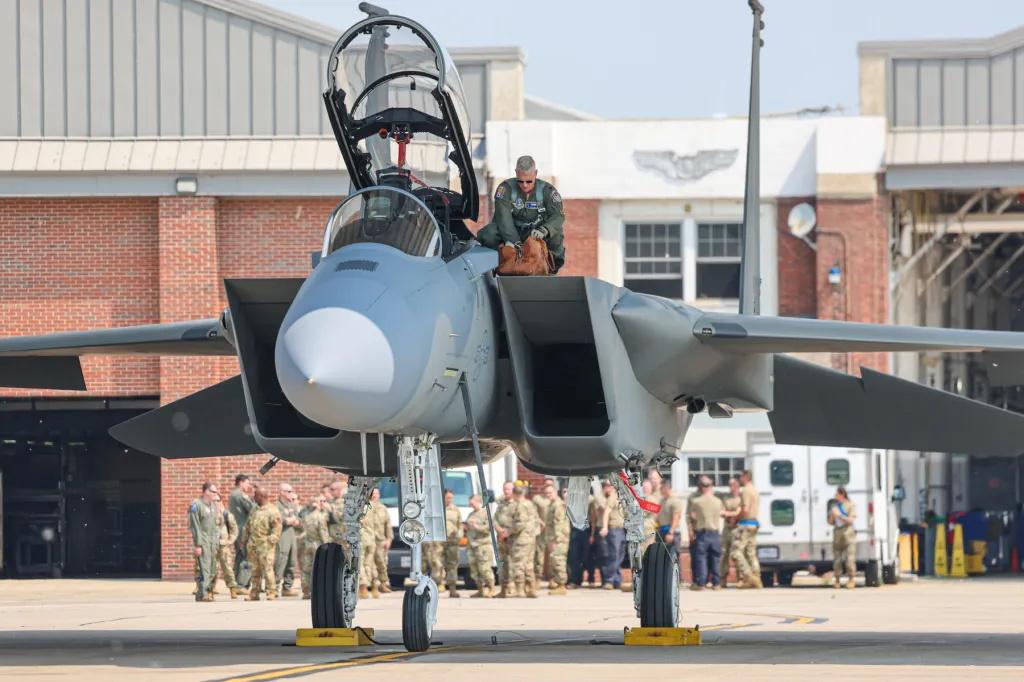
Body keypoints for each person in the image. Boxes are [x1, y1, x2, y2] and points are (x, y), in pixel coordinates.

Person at [476, 155, 566, 272]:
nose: (525, 185)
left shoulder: (548, 191)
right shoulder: (505, 189)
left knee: (556, 233)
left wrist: (544, 230)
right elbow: (503, 219)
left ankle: (552, 267)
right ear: (516, 173)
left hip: (536, 232)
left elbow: (558, 216)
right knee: (488, 233)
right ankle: (494, 267)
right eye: (520, 181)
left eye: (529, 181)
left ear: (535, 173)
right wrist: (515, 243)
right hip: (511, 230)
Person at [244, 485, 283, 601]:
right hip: (253, 545)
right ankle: (254, 593)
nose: (253, 497)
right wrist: (244, 539)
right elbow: (248, 525)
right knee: (254, 570)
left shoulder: (273, 510)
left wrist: (271, 540)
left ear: (262, 496)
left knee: (267, 570)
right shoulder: (254, 509)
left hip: (266, 546)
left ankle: (271, 592)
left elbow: (277, 528)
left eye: (255, 495)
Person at [689, 476, 724, 591]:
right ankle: (716, 583)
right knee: (716, 558)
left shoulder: (696, 501)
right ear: (711, 486)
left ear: (701, 487)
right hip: (715, 533)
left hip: (703, 533)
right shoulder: (718, 501)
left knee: (701, 558)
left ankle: (701, 583)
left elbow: (692, 516)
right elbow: (721, 513)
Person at [732, 469, 763, 589]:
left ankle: (749, 576)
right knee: (751, 553)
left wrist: (736, 519)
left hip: (745, 523)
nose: (740, 479)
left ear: (746, 477)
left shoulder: (746, 490)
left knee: (736, 552)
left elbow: (745, 509)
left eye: (741, 476)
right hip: (754, 523)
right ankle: (757, 577)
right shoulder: (755, 490)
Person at [189, 482, 220, 602]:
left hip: (212, 541)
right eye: (213, 492)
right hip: (203, 540)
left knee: (213, 568)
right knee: (204, 568)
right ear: (206, 491)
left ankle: (207, 592)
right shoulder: (196, 505)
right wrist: (198, 544)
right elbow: (195, 526)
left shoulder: (213, 506)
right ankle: (203, 593)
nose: (215, 494)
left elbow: (215, 525)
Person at [213, 492, 246, 599]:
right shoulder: (207, 513)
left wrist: (230, 540)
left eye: (217, 500)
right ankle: (211, 589)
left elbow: (234, 529)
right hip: (211, 545)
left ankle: (232, 588)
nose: (215, 503)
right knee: (212, 568)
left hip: (223, 546)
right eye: (213, 501)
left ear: (221, 501)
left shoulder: (226, 514)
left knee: (227, 568)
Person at [509, 481, 539, 598]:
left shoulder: (520, 506)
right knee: (529, 564)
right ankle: (531, 589)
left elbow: (520, 523)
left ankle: (520, 590)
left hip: (521, 539)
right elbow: (536, 520)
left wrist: (508, 531)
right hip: (531, 538)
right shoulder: (530, 504)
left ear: (515, 494)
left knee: (518, 564)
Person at [299, 494, 330, 600]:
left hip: (307, 544)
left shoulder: (306, 516)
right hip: (318, 545)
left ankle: (306, 591)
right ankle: (320, 591)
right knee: (320, 568)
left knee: (306, 568)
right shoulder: (320, 517)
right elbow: (323, 533)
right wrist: (327, 545)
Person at [465, 494, 496, 598]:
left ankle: (492, 589)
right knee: (474, 570)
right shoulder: (471, 514)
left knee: (485, 569)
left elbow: (488, 528)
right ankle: (480, 590)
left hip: (483, 546)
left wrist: (475, 526)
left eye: (472, 502)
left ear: (478, 501)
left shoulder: (486, 514)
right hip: (472, 546)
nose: (470, 504)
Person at [228, 474, 256, 588]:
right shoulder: (240, 495)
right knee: (247, 556)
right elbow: (253, 508)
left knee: (239, 556)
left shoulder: (233, 494)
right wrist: (254, 497)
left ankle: (235, 582)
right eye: (247, 483)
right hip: (243, 530)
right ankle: (242, 584)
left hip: (237, 530)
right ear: (241, 482)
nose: (249, 486)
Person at [597, 480, 626, 590]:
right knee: (613, 555)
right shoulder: (613, 497)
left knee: (619, 556)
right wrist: (605, 527)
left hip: (621, 529)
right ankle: (609, 580)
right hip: (613, 529)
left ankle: (617, 580)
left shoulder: (621, 497)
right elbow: (606, 512)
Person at [275, 483, 301, 597]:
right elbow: (278, 519)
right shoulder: (277, 506)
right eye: (289, 491)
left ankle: (287, 587)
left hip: (292, 535)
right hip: (282, 535)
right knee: (281, 560)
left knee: (292, 562)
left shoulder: (292, 505)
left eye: (291, 491)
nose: (291, 493)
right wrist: (288, 520)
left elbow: (298, 518)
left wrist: (296, 521)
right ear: (282, 492)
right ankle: (275, 587)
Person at [544, 482, 570, 595]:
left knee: (559, 561)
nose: (548, 495)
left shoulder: (558, 505)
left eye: (550, 492)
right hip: (552, 538)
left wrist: (556, 539)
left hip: (559, 539)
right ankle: (557, 582)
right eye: (546, 493)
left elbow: (558, 524)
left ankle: (562, 585)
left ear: (555, 492)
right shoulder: (552, 505)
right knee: (554, 560)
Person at [829, 486, 857, 589]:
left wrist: (839, 515)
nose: (835, 496)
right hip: (837, 534)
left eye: (837, 494)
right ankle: (837, 580)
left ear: (842, 495)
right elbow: (830, 522)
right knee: (837, 561)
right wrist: (832, 515)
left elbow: (851, 520)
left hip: (848, 534)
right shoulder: (835, 506)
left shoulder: (850, 505)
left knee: (850, 560)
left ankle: (851, 579)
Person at [655, 479, 684, 579]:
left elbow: (676, 518)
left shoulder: (675, 501)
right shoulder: (662, 501)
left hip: (671, 532)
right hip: (662, 531)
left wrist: (671, 533)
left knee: (673, 555)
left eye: (662, 488)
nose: (660, 490)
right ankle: (665, 578)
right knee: (662, 556)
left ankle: (678, 578)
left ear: (667, 488)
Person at [494, 480, 518, 597]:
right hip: (501, 538)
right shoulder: (501, 504)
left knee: (513, 563)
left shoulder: (517, 504)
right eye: (505, 489)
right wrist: (499, 530)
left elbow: (519, 522)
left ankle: (512, 587)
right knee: (502, 563)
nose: (506, 491)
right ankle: (503, 588)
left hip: (513, 538)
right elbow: (495, 519)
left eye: (508, 489)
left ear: (513, 490)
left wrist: (508, 532)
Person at [369, 488, 393, 594]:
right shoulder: (366, 507)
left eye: (376, 493)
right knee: (370, 564)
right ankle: (374, 585)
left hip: (380, 541)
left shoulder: (383, 508)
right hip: (369, 540)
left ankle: (383, 584)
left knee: (382, 563)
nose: (374, 495)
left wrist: (389, 539)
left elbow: (388, 525)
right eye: (372, 493)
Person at [720, 477, 742, 586]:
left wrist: (729, 513)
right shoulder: (726, 498)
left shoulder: (741, 498)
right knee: (724, 553)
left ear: (737, 486)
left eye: (732, 485)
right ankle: (722, 578)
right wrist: (731, 514)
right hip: (727, 529)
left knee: (737, 553)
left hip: (737, 529)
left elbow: (739, 512)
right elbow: (721, 512)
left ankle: (740, 578)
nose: (730, 487)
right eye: (729, 485)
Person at [443, 489, 464, 598]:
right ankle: (437, 587)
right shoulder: (437, 508)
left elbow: (460, 525)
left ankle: (452, 590)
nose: (449, 500)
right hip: (438, 543)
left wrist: (459, 536)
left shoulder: (455, 510)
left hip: (452, 542)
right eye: (447, 497)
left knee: (452, 565)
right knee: (436, 564)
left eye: (451, 498)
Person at [533, 478, 554, 583]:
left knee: (552, 554)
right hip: (541, 530)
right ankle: (538, 577)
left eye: (550, 484)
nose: (548, 486)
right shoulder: (537, 499)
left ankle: (552, 577)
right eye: (546, 484)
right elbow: (533, 512)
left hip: (552, 532)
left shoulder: (556, 500)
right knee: (539, 554)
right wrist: (540, 522)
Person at [359, 496, 378, 599]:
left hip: (362, 537)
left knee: (360, 563)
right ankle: (374, 585)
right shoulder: (372, 506)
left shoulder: (358, 506)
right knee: (369, 563)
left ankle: (363, 586)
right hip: (371, 537)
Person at [327, 476, 349, 545]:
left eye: (332, 489)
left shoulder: (345, 503)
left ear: (339, 490)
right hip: (332, 537)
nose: (330, 491)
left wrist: (330, 509)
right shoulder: (330, 502)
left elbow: (340, 519)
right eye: (330, 489)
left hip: (342, 538)